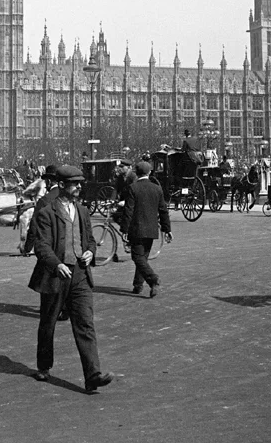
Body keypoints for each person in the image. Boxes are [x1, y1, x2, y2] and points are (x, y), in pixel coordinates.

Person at [28, 165, 114, 393]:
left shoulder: (83, 211)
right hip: (56, 275)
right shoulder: (47, 212)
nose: (79, 187)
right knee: (48, 323)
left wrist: (90, 252)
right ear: (63, 186)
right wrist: (55, 264)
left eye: (80, 184)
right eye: (75, 184)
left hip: (80, 275)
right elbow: (41, 245)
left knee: (85, 323)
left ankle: (92, 375)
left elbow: (91, 241)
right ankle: (44, 366)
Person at [119, 161, 171, 297]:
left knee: (137, 257)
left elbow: (128, 211)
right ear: (149, 173)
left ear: (136, 172)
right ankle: (138, 285)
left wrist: (124, 229)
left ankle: (153, 279)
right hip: (151, 229)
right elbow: (163, 210)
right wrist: (167, 229)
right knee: (143, 258)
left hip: (136, 229)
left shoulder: (133, 188)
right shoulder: (157, 188)